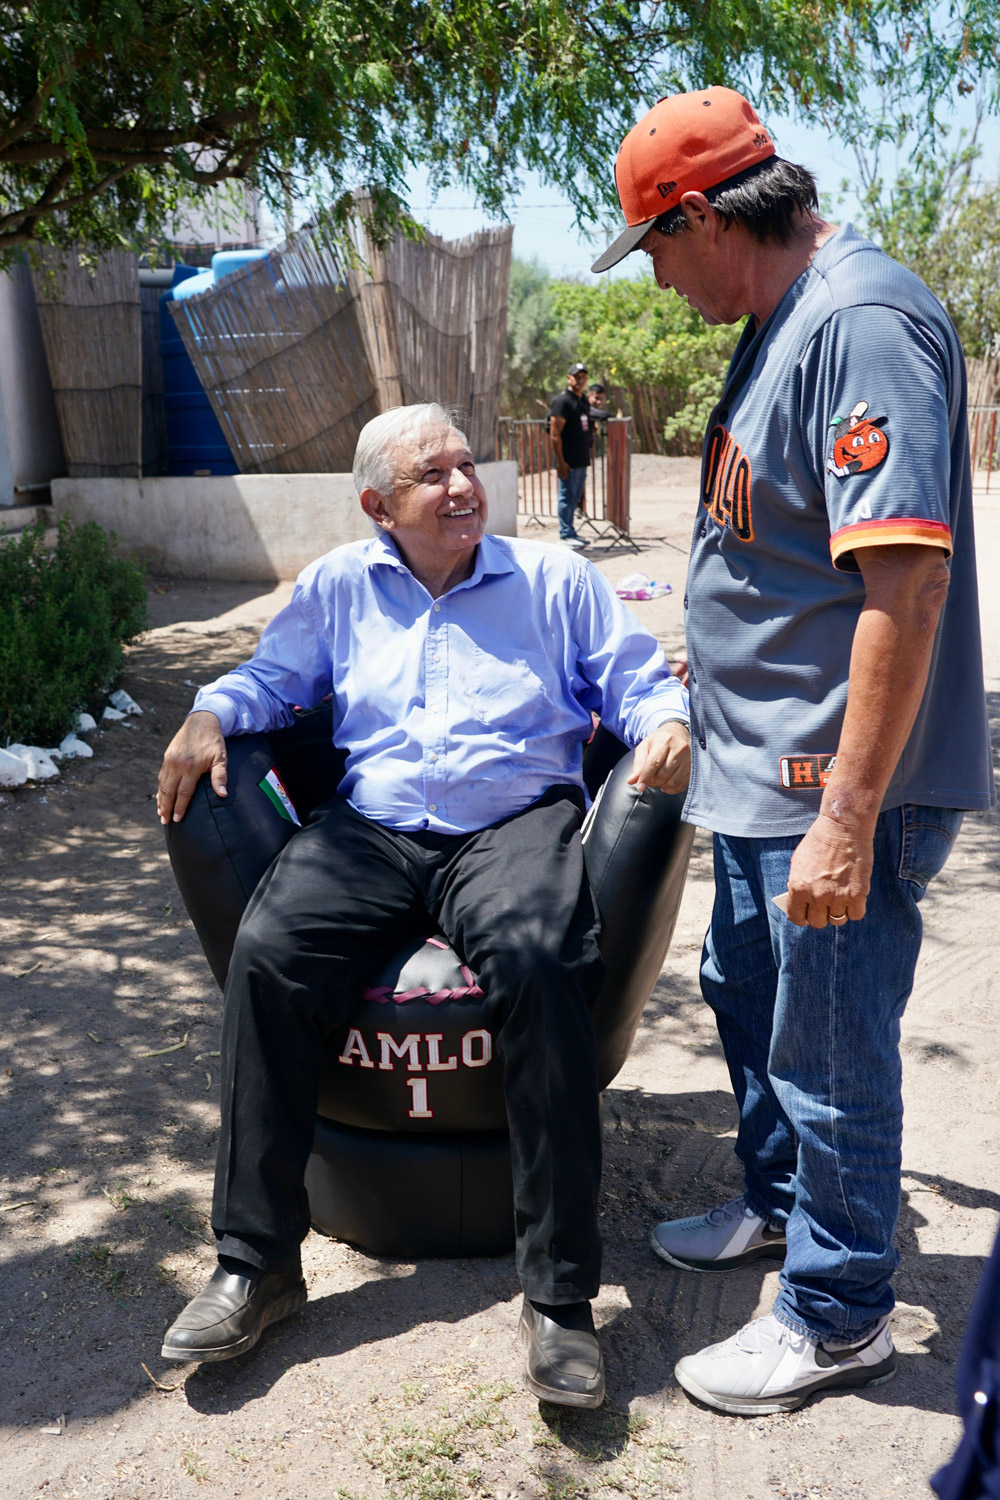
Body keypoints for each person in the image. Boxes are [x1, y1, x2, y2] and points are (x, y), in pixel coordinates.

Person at [155, 403, 692, 1407]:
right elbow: (274, 679)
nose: (462, 488)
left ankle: (561, 1301)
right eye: (431, 477)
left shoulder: (553, 580)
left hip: (512, 824)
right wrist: (208, 712)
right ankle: (255, 1263)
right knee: (267, 954)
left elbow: (632, 682)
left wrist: (666, 721)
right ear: (377, 506)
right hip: (373, 830)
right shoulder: (338, 586)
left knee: (542, 961)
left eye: (464, 466)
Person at [593, 87, 995, 1416]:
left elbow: (903, 589)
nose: (654, 276)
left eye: (653, 247)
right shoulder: (775, 320)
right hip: (757, 765)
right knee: (749, 995)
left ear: (706, 218)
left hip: (831, 787)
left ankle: (838, 1312)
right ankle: (780, 1206)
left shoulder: (861, 321)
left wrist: (848, 817)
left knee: (828, 1047)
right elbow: (776, 549)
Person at [549, 362, 591, 547]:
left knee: (574, 498)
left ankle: (571, 532)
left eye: (583, 376)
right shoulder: (562, 401)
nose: (580, 380)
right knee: (566, 497)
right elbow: (555, 433)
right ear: (569, 378)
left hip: (581, 460)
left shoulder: (582, 401)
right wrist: (561, 461)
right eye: (577, 376)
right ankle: (565, 535)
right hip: (569, 461)